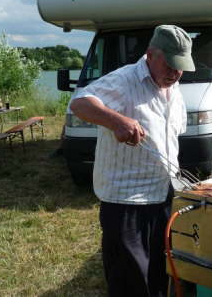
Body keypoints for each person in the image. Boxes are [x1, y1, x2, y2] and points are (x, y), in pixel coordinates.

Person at [70, 25, 195, 297]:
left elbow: (172, 136)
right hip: (126, 202)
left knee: (160, 276)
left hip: (163, 196)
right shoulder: (124, 80)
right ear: (151, 55)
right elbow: (79, 103)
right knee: (131, 281)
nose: (176, 73)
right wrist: (116, 120)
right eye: (171, 64)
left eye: (181, 67)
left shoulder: (174, 90)